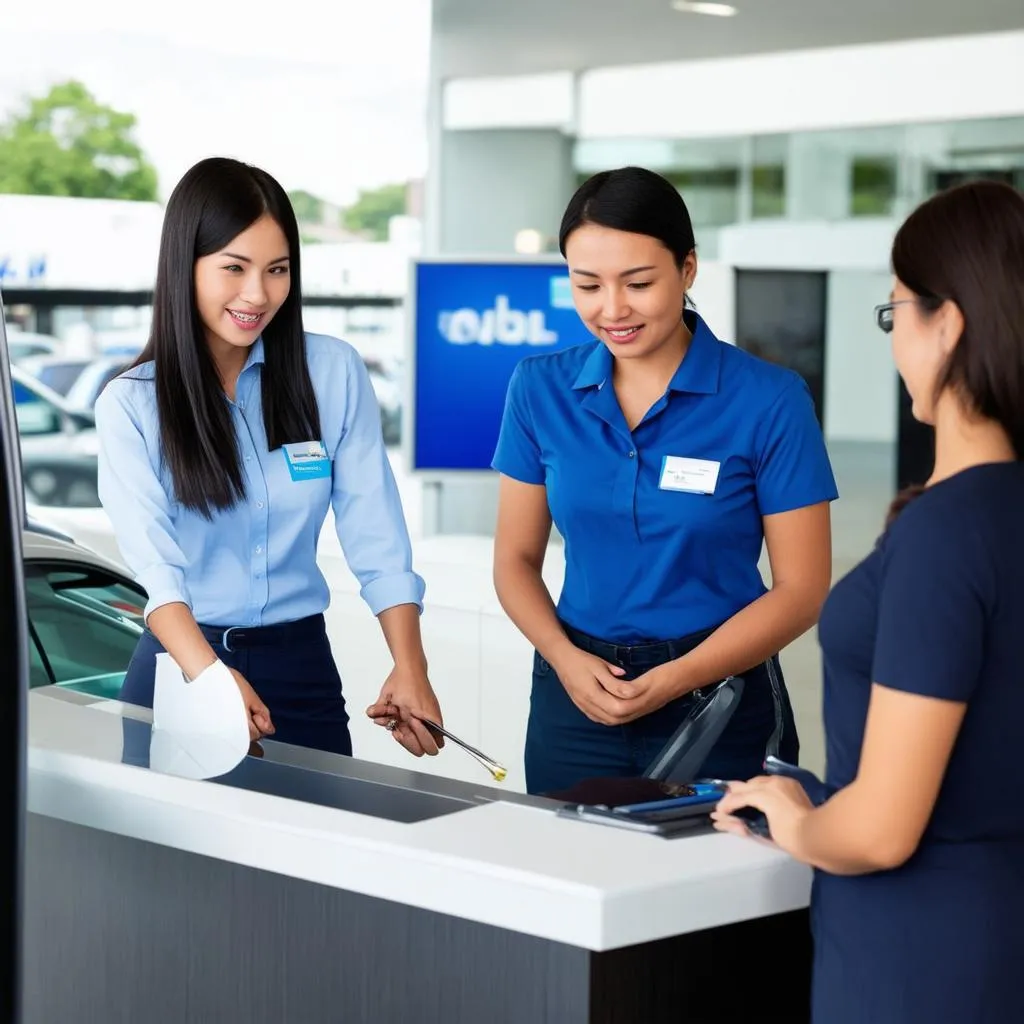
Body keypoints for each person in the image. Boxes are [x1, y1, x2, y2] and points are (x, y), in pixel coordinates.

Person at [713, 180, 1024, 1023]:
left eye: (895, 316)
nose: (895, 343)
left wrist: (794, 816)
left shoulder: (945, 532)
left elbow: (882, 831)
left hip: (921, 955)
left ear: (947, 323)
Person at [491, 166, 838, 796]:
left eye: (639, 282)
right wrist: (566, 662)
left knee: (721, 887)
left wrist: (678, 677)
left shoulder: (769, 399)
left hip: (718, 695)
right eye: (587, 284)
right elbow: (514, 559)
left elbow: (804, 588)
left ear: (688, 269)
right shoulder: (538, 388)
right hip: (576, 693)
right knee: (568, 874)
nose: (612, 309)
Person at [95, 156, 443, 759]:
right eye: (234, 268)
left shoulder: (331, 372)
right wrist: (207, 676)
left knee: (316, 849)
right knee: (177, 857)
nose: (257, 294)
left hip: (301, 666)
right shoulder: (132, 405)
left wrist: (410, 665)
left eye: (277, 270)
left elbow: (376, 531)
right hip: (182, 667)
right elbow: (156, 567)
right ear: (186, 267)